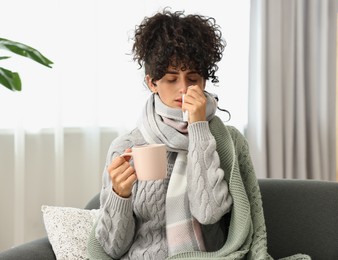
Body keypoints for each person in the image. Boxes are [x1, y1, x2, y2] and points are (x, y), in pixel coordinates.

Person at [87, 8, 308, 260]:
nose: (183, 88)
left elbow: (209, 213)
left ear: (203, 81)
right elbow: (111, 248)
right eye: (171, 79)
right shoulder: (126, 146)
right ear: (152, 83)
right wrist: (120, 195)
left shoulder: (227, 141)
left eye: (192, 78)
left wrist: (198, 127)